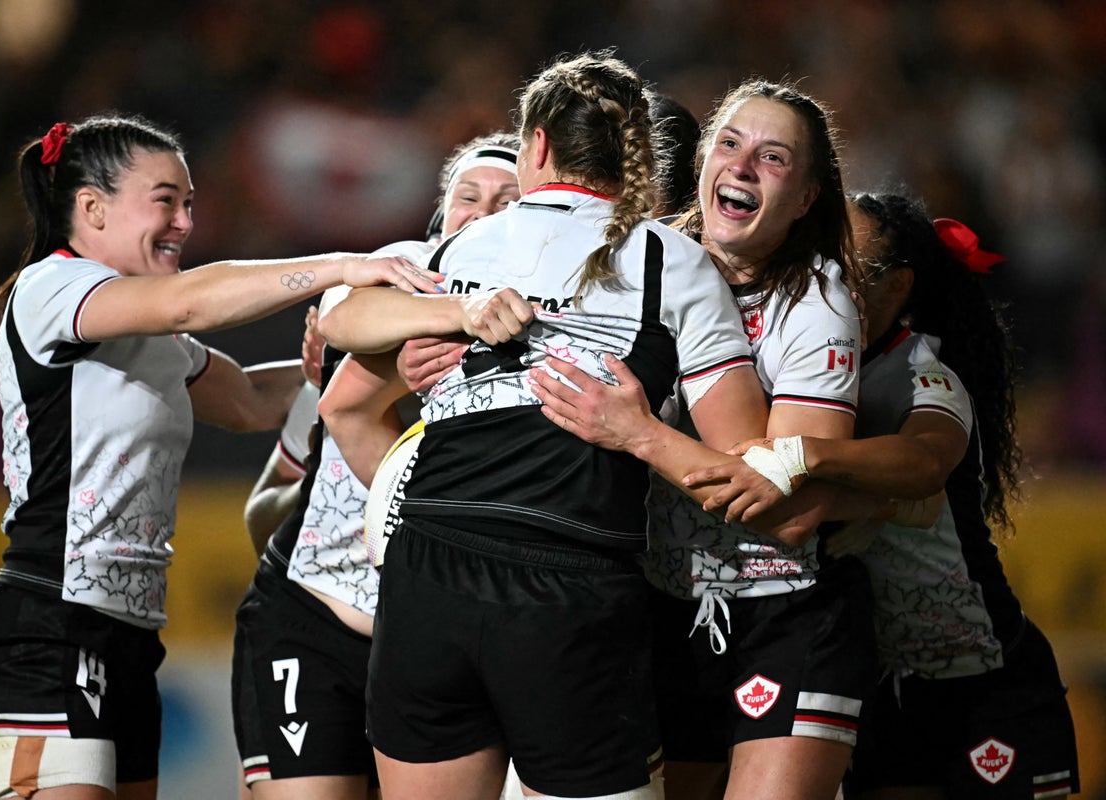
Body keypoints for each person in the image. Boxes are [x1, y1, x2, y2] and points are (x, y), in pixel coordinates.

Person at [0, 113, 441, 800]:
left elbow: (252, 403)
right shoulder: (50, 289)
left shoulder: (149, 335)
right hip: (39, 632)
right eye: (165, 201)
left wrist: (376, 349)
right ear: (90, 207)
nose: (183, 222)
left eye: (190, 204)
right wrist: (343, 270)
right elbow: (189, 303)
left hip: (124, 642)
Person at [318, 51, 769, 800]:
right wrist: (640, 434)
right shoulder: (671, 261)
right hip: (569, 582)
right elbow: (745, 464)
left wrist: (452, 311)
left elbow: (346, 319)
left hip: (426, 574)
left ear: (533, 144)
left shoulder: (466, 244)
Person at [528, 79, 873, 800]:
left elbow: (795, 510)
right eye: (730, 143)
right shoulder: (647, 261)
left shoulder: (815, 300)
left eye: (773, 157)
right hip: (662, 603)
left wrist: (643, 435)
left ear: (807, 197)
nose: (743, 166)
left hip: (787, 606)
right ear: (703, 163)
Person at [695, 192, 1081, 799]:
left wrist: (805, 454)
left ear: (895, 287)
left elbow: (924, 462)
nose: (817, 276)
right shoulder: (792, 362)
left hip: (984, 682)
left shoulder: (920, 374)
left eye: (841, 267)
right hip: (878, 677)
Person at [230, 131, 521, 800]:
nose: (482, 213)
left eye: (509, 201)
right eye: (466, 197)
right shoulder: (405, 270)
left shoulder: (547, 326)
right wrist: (449, 319)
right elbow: (342, 316)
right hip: (314, 619)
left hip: (446, 640)